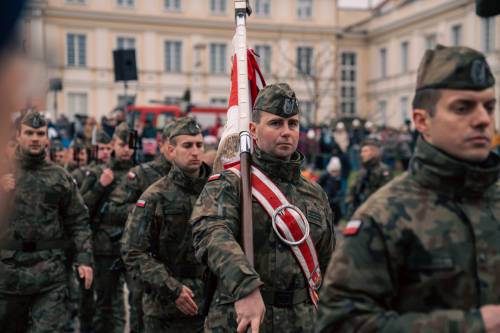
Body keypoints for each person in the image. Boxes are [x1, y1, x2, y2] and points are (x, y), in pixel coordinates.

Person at [315, 45, 500, 332]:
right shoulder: (383, 216)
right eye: (462, 108)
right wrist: (473, 325)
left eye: (489, 107)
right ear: (422, 121)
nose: (483, 120)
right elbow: (340, 322)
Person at [190, 83, 336, 333]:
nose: (287, 132)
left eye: (293, 124)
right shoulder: (231, 184)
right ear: (253, 130)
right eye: (276, 123)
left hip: (302, 322)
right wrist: (245, 285)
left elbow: (327, 263)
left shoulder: (314, 193)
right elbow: (211, 234)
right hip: (241, 320)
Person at [0, 111, 93, 332]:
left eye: (40, 133)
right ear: (18, 136)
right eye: (29, 133)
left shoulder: (60, 177)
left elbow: (78, 220)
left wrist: (84, 259)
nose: (34, 138)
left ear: (46, 139)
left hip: (49, 277)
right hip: (7, 276)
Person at [123, 118, 211, 332]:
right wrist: (172, 289)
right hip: (165, 310)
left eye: (199, 145)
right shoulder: (155, 196)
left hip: (211, 306)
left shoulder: (217, 191)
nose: (195, 152)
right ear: (171, 151)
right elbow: (133, 251)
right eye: (187, 145)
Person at [112, 121, 176, 333]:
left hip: (176, 258)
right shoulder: (143, 174)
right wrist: (145, 211)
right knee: (139, 305)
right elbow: (114, 209)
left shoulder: (194, 176)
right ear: (163, 145)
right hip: (144, 254)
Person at [80, 122, 134, 333]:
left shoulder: (140, 173)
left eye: (131, 145)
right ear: (113, 144)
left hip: (132, 247)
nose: (127, 149)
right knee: (105, 302)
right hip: (104, 248)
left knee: (136, 300)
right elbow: (82, 207)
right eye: (122, 144)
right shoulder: (98, 172)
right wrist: (100, 186)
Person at [345, 138, 392, 218]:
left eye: (365, 151)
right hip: (360, 211)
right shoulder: (362, 171)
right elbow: (354, 188)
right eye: (362, 152)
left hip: (375, 213)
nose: (362, 154)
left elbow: (387, 193)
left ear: (374, 152)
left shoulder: (383, 170)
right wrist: (350, 201)